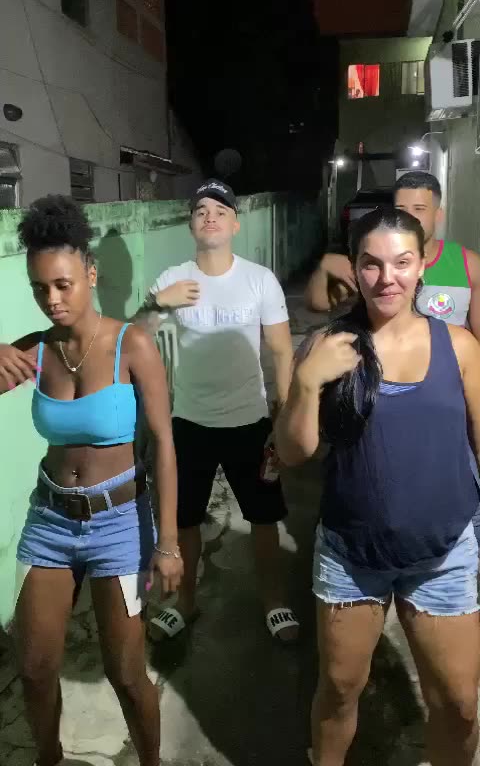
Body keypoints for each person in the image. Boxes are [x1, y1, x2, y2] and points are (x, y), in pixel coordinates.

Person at [276, 207, 480, 766]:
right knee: (341, 689)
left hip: (443, 554)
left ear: (422, 266)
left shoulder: (460, 347)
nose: (387, 278)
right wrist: (307, 382)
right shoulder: (328, 346)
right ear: (355, 267)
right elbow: (293, 452)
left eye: (401, 262)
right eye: (371, 263)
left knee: (460, 703)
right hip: (351, 555)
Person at [0, 196, 182, 766]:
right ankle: (49, 759)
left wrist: (168, 543)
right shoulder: (34, 351)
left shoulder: (134, 346)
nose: (52, 300)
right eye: (40, 288)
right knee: (35, 668)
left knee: (125, 673)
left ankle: (150, 761)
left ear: (91, 274)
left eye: (63, 284)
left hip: (121, 525)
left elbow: (165, 445)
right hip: (50, 521)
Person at [137, 178, 299, 643]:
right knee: (186, 520)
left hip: (250, 421)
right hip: (189, 422)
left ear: (235, 224)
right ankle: (185, 603)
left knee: (264, 518)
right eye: (201, 210)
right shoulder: (173, 279)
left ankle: (274, 601)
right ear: (191, 225)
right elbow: (135, 337)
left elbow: (282, 351)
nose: (210, 217)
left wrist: (284, 416)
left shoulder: (259, 279)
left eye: (220, 210)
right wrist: (157, 303)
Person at [305, 171, 480, 338]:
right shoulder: (372, 263)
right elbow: (319, 303)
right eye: (401, 208)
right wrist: (324, 268)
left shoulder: (468, 264)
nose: (410, 216)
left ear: (438, 215)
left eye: (419, 208)